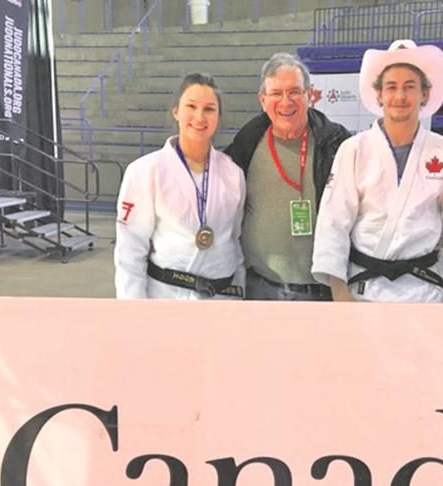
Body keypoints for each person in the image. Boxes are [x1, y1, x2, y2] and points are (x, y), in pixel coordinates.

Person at [312, 40, 443, 303]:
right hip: (365, 289)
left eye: (410, 86)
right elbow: (333, 220)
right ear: (379, 95)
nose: (400, 96)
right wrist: (339, 290)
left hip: (424, 290)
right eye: (391, 87)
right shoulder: (354, 149)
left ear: (424, 94)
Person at [225, 53, 350, 301]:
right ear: (263, 100)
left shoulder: (336, 144)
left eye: (294, 92)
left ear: (309, 95)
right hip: (258, 288)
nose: (286, 102)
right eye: (276, 93)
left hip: (320, 289)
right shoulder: (247, 143)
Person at [115, 73, 246, 299]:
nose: (199, 117)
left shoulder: (233, 174)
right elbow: (130, 250)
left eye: (209, 109)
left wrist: (240, 293)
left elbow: (235, 241)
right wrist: (133, 309)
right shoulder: (145, 171)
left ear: (219, 117)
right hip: (166, 297)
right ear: (176, 111)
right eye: (191, 106)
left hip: (222, 298)